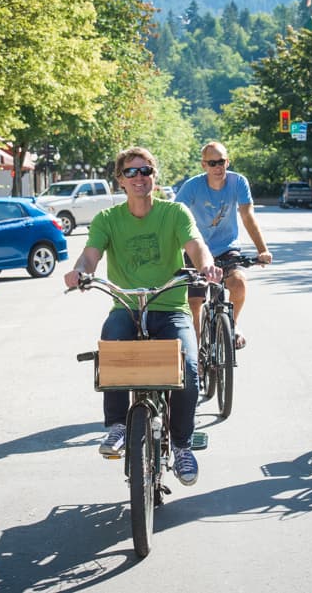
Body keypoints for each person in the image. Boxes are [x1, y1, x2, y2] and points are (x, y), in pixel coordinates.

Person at [64, 147, 222, 486]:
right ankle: (118, 425)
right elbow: (90, 256)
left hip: (169, 308)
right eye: (132, 172)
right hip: (127, 306)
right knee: (111, 343)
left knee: (188, 369)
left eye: (145, 171)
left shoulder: (174, 212)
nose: (139, 178)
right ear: (120, 179)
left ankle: (181, 445)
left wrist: (205, 264)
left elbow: (195, 244)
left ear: (154, 175)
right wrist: (79, 272)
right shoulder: (109, 220)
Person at [174, 141, 272, 349]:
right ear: (204, 165)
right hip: (197, 249)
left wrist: (262, 249)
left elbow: (247, 214)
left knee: (239, 282)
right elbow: (175, 216)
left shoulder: (238, 182)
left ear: (227, 162)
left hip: (227, 248)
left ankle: (233, 325)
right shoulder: (192, 186)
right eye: (212, 163)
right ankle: (196, 350)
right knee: (195, 302)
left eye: (221, 162)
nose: (217, 167)